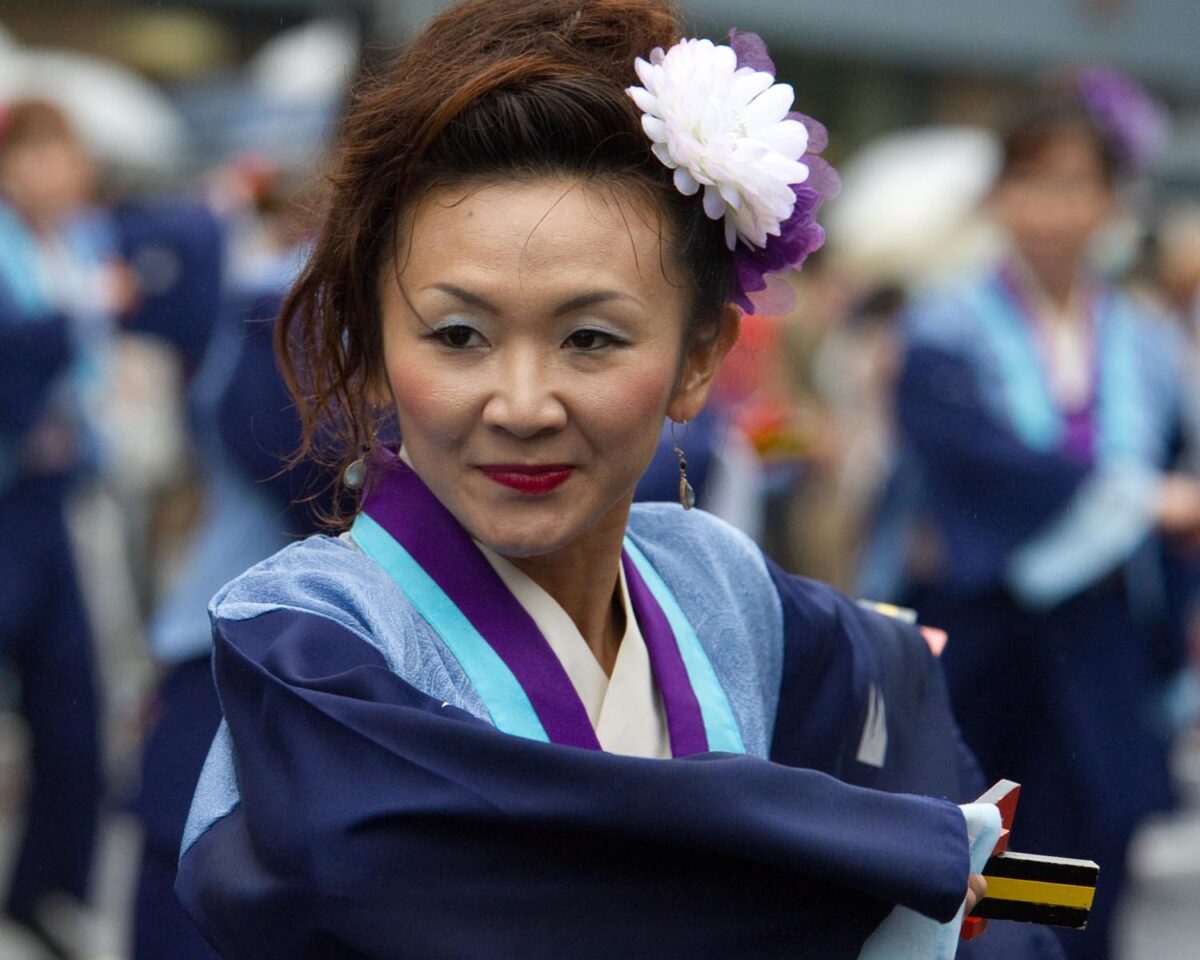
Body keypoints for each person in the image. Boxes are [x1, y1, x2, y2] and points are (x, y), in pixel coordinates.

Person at [177, 3, 1064, 958]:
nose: (522, 404)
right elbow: (410, 869)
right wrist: (898, 856)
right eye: (457, 335)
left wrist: (948, 867)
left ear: (697, 359)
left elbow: (938, 786)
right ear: (381, 344)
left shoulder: (721, 586)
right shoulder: (308, 627)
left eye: (590, 338)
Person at [865, 70, 1197, 960]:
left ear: (1108, 201)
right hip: (988, 634)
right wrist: (1140, 503)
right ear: (1000, 195)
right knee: (988, 876)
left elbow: (1179, 479)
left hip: (1102, 647)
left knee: (1090, 873)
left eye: (1075, 184)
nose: (1053, 208)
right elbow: (978, 468)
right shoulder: (945, 327)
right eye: (1033, 182)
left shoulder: (1149, 343)